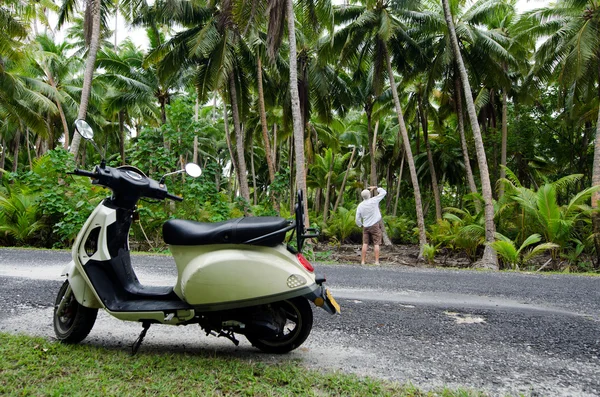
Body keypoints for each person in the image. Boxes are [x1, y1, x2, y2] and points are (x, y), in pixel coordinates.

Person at [355, 186, 387, 265]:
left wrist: (360, 225)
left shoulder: (360, 205)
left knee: (365, 243)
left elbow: (357, 218)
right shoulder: (374, 200)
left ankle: (362, 261)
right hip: (375, 225)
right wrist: (376, 188)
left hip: (366, 226)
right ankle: (376, 261)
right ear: (369, 195)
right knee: (376, 243)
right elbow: (384, 192)